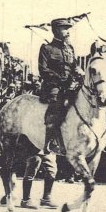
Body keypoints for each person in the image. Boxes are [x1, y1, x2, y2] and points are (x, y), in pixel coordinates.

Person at [38, 17, 82, 153]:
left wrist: (79, 73)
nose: (68, 32)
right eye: (65, 29)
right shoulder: (47, 48)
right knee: (56, 107)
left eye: (69, 29)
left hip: (70, 85)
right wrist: (60, 79)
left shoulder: (70, 48)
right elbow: (43, 69)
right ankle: (50, 141)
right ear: (56, 30)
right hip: (54, 86)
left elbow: (74, 66)